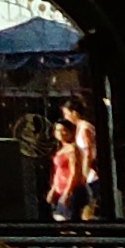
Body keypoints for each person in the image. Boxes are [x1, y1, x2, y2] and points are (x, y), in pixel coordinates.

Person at [46, 89, 102, 231]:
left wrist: (82, 175)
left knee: (83, 213)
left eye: (66, 113)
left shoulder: (84, 128)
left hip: (88, 177)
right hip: (81, 178)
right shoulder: (79, 131)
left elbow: (88, 152)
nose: (66, 117)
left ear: (74, 113)